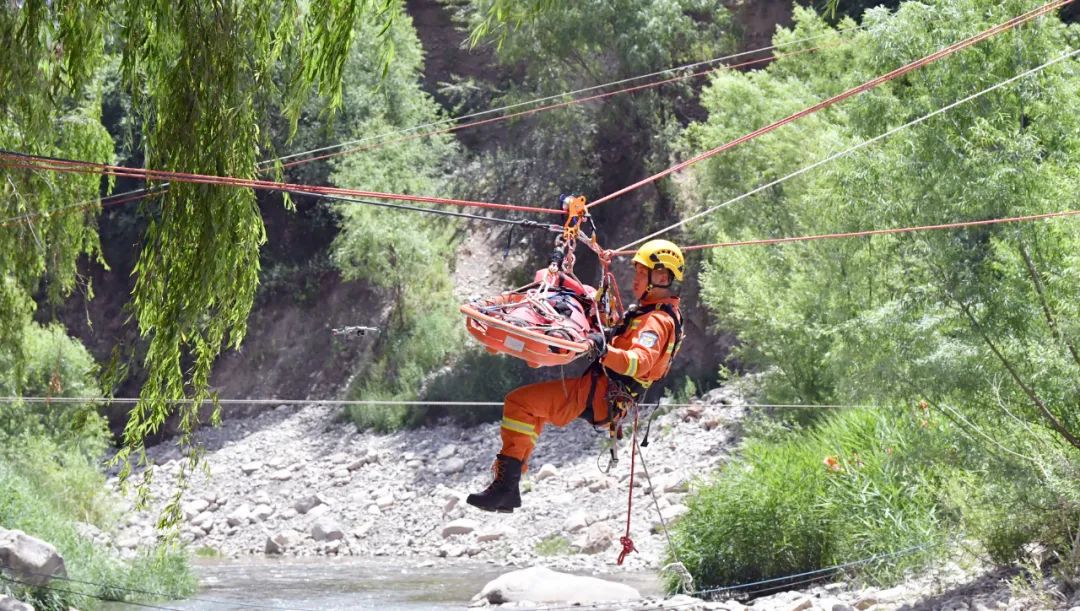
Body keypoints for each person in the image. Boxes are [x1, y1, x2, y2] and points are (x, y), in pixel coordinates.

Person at [466, 239, 686, 513]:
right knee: (527, 408)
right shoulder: (648, 313)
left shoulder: (656, 321)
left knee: (520, 404)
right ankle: (507, 488)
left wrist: (603, 349)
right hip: (600, 390)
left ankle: (506, 487)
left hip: (602, 394)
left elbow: (639, 363)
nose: (636, 279)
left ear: (663, 277)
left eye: (643, 273)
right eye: (638, 271)